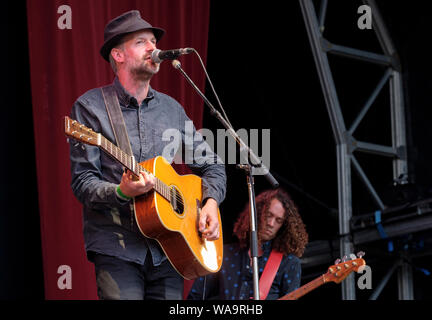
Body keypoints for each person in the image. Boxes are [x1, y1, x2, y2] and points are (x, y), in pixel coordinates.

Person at [69, 10, 226, 300]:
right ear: (118, 55)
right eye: (142, 42)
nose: (154, 48)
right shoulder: (90, 108)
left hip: (171, 250)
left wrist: (211, 203)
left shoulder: (172, 110)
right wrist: (121, 191)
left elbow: (212, 166)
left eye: (153, 41)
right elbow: (83, 182)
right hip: (118, 247)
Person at [188, 188, 308, 300]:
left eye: (278, 220)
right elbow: (196, 295)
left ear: (284, 225)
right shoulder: (224, 254)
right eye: (268, 215)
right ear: (257, 214)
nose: (271, 223)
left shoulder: (289, 263)